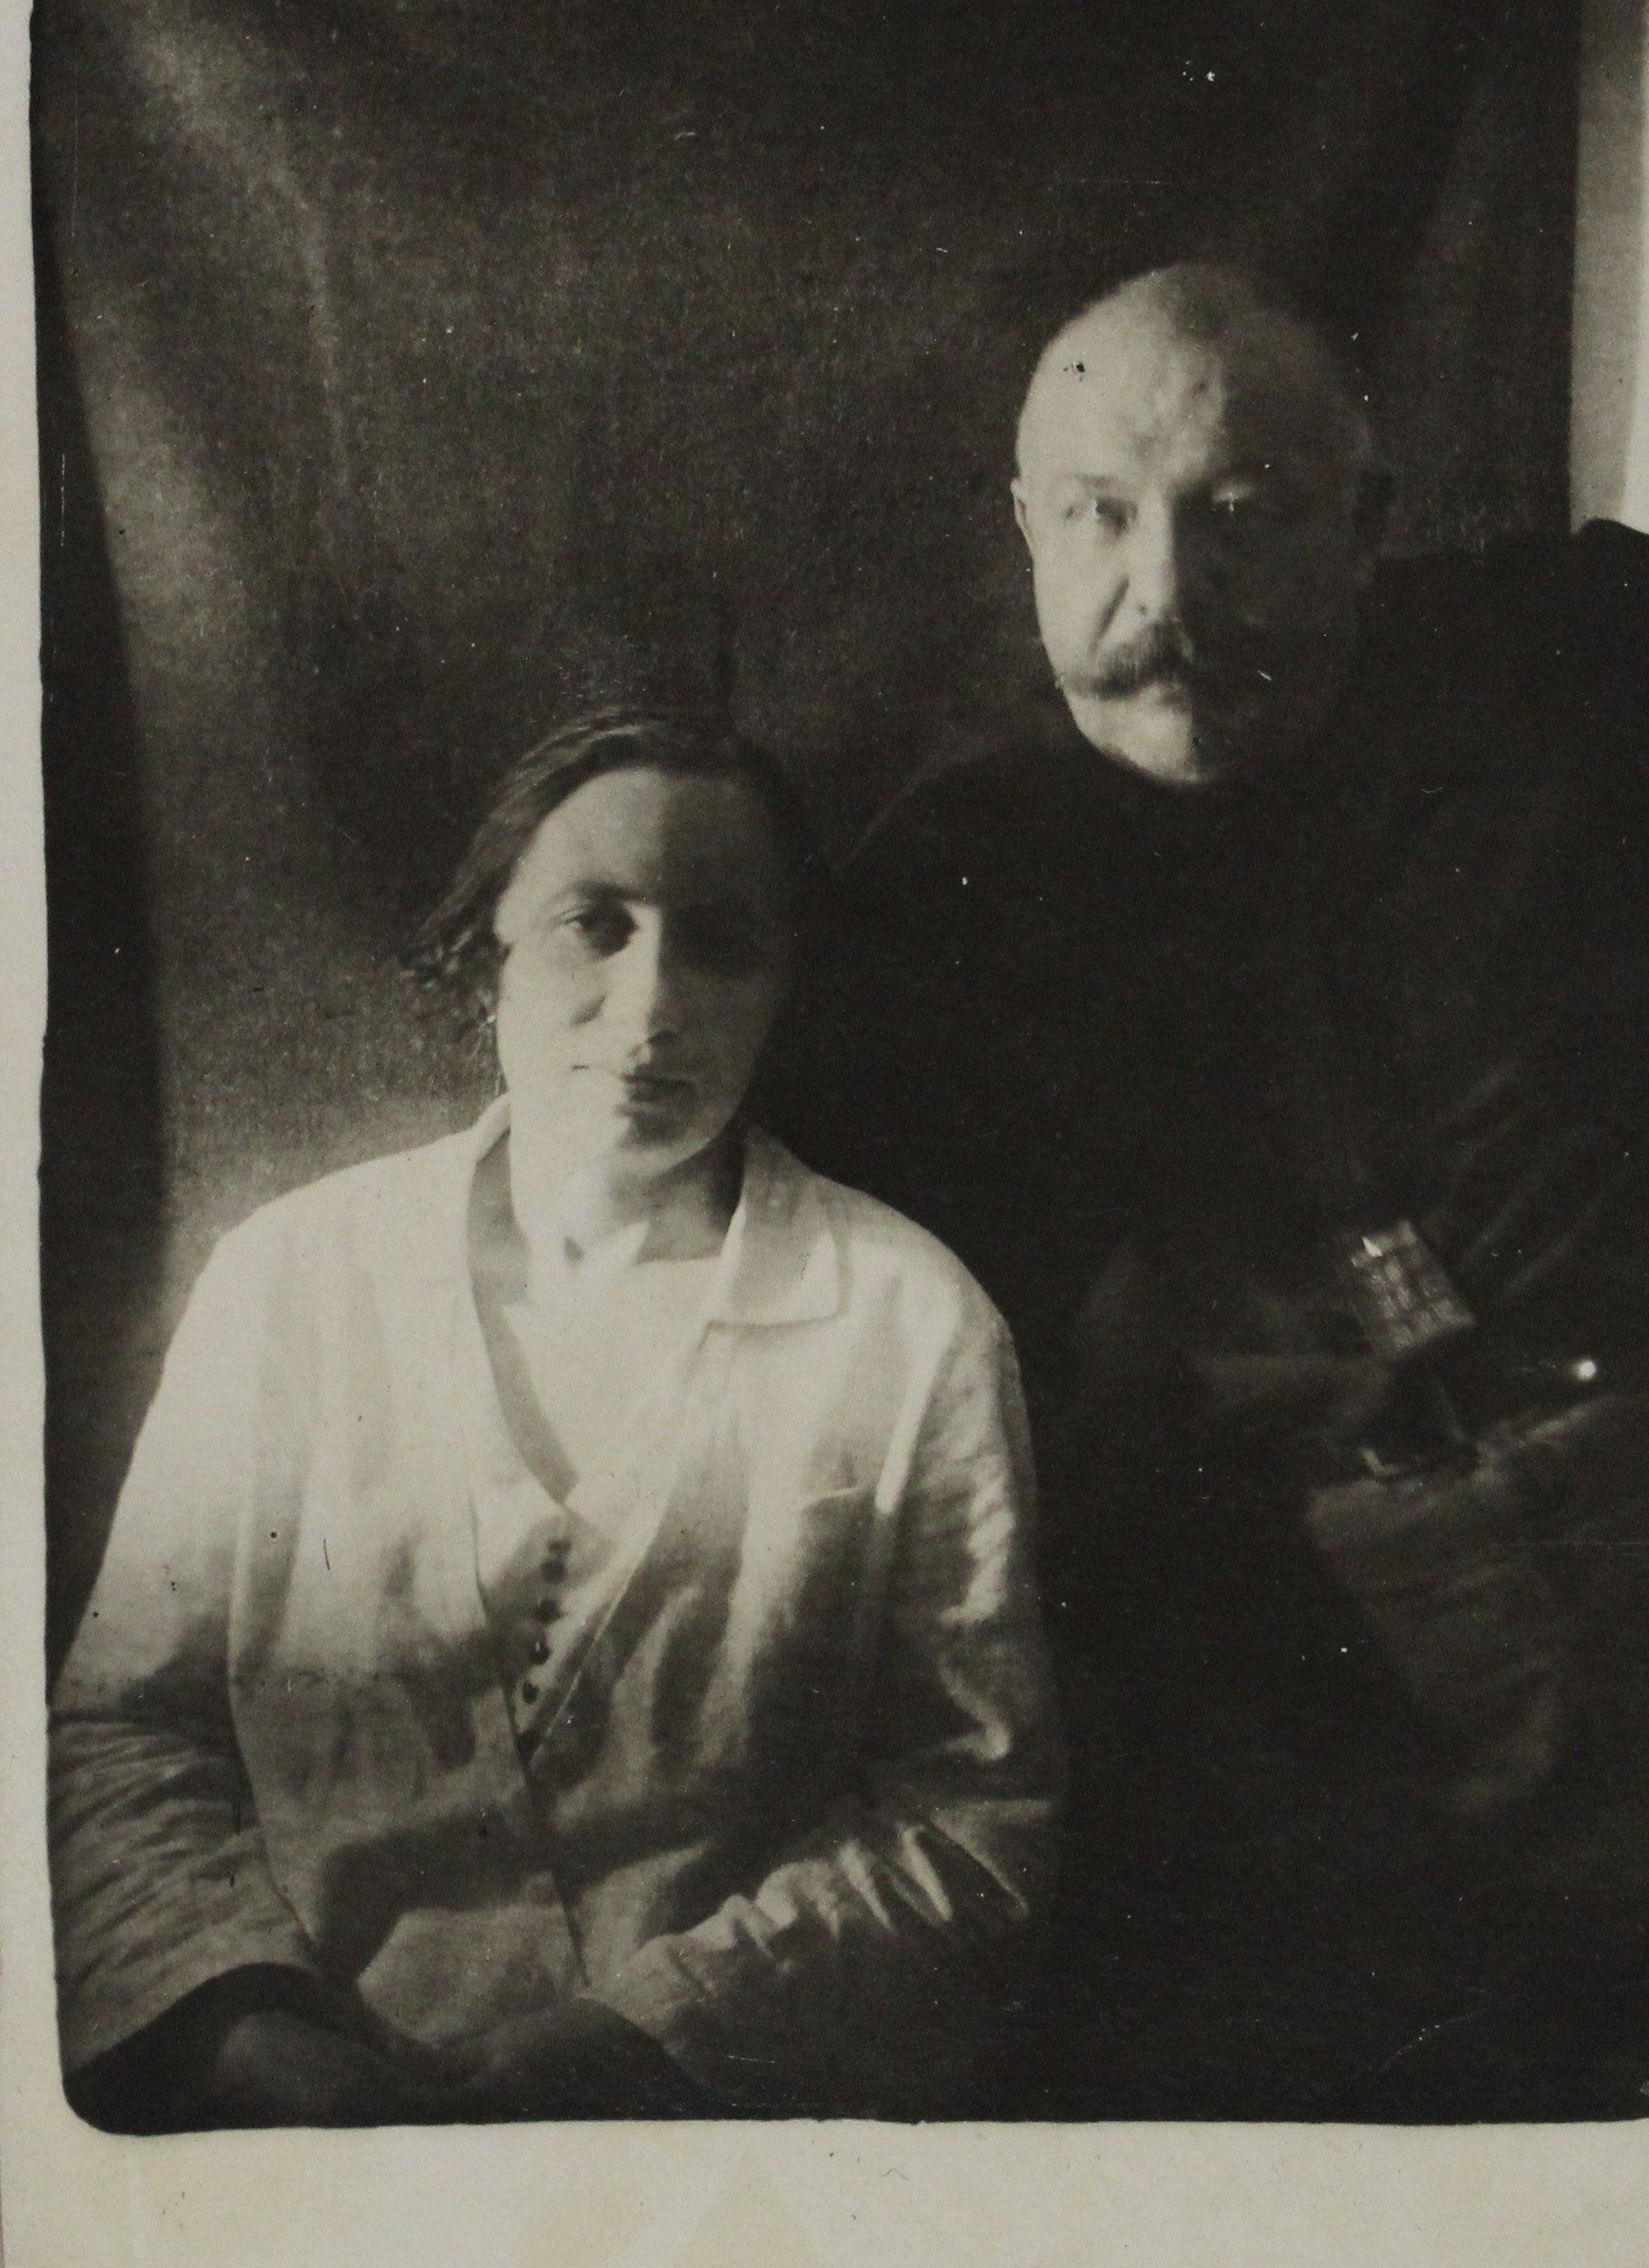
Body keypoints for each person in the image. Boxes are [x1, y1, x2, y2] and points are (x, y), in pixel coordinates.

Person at [773, 265, 1649, 2118]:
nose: (1167, 599)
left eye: (1243, 516)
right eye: (1099, 518)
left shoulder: (1587, 666)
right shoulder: (943, 891)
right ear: (1025, 527)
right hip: (1293, 1663)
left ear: (1367, 525)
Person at [50, 709, 1060, 2132]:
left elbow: (973, 1815)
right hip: (296, 2131)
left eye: (721, 942)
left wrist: (635, 2038)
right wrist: (256, 2038)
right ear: (489, 957)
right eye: (595, 924)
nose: (651, 1006)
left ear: (785, 982)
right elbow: (124, 1732)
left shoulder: (906, 1322)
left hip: (719, 2134)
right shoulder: (292, 1280)